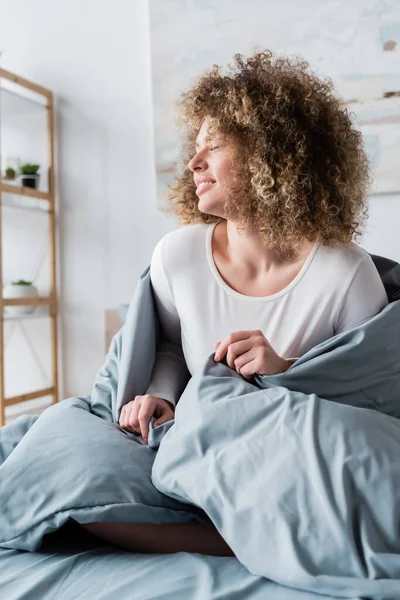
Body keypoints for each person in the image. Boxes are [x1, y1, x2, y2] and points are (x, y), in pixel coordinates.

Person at [83, 50, 388, 556]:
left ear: (274, 155)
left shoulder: (346, 273)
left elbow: (373, 400)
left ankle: (232, 536)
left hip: (293, 468)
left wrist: (287, 373)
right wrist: (162, 397)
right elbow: (164, 347)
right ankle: (251, 536)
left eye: (215, 146)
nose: (193, 163)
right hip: (199, 458)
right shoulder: (177, 256)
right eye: (194, 148)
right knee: (67, 455)